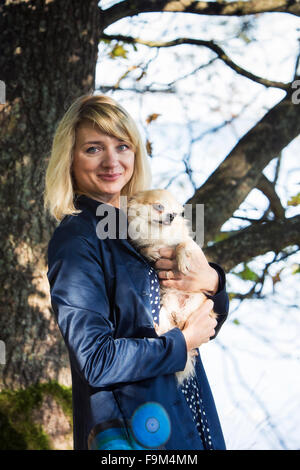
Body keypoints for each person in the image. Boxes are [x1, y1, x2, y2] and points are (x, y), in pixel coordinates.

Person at [44, 94, 229, 451]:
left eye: (122, 146)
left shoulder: (135, 224)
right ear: (70, 158)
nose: (112, 161)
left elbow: (202, 321)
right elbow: (95, 360)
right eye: (94, 149)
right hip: (132, 434)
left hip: (188, 417)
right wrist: (182, 343)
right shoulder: (77, 239)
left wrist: (213, 283)